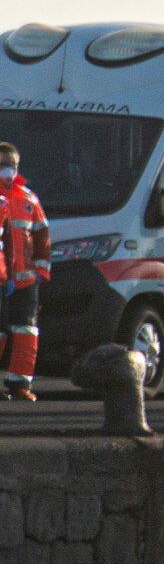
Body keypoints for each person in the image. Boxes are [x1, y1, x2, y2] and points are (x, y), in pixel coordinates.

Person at [0, 143, 51, 401]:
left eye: (12, 164)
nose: (8, 170)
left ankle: (20, 384)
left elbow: (42, 234)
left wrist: (42, 270)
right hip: (1, 278)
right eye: (2, 164)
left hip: (26, 279)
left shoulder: (29, 198)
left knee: (26, 331)